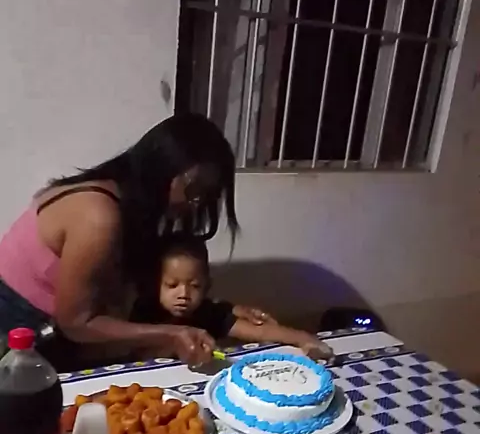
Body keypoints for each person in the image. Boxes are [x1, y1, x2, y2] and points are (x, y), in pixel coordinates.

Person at [0, 114, 264, 370]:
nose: (196, 204)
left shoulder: (132, 205)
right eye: (193, 190)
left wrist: (223, 311)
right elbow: (76, 323)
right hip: (18, 330)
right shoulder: (98, 217)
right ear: (161, 169)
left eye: (206, 195)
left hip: (58, 328)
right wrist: (170, 335)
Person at [131, 234, 334, 360]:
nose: (183, 294)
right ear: (155, 284)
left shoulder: (208, 312)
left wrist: (303, 338)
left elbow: (260, 331)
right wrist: (174, 346)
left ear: (207, 286)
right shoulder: (145, 311)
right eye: (172, 285)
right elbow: (138, 355)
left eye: (195, 286)